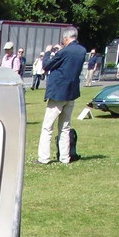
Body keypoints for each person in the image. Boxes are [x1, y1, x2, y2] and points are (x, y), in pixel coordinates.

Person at [37, 27, 86, 165]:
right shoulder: (82, 51)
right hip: (71, 93)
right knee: (65, 127)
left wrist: (48, 52)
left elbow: (47, 65)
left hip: (58, 93)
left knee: (48, 127)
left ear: (66, 38)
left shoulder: (65, 51)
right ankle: (65, 157)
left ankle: (44, 158)